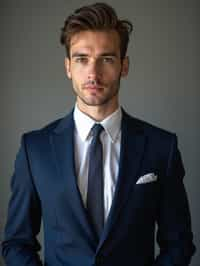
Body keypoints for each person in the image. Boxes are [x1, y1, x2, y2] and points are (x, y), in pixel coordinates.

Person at [1, 2, 196, 266]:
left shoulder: (162, 147)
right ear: (68, 66)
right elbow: (16, 243)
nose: (93, 73)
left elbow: (179, 243)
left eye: (106, 59)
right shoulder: (34, 149)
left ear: (124, 66)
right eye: (82, 59)